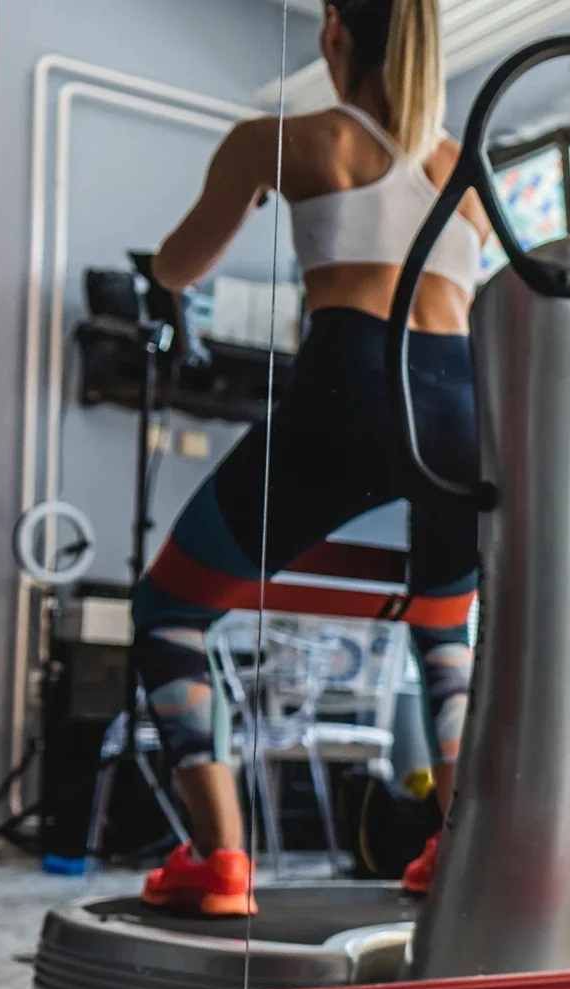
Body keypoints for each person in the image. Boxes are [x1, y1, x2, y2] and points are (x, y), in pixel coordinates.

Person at [130, 0, 490, 915]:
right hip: (461, 410)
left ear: (333, 31)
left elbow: (175, 269)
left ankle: (217, 863)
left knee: (170, 610)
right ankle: (457, 852)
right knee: (444, 637)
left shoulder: (288, 139)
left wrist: (244, 190)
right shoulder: (467, 171)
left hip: (348, 389)